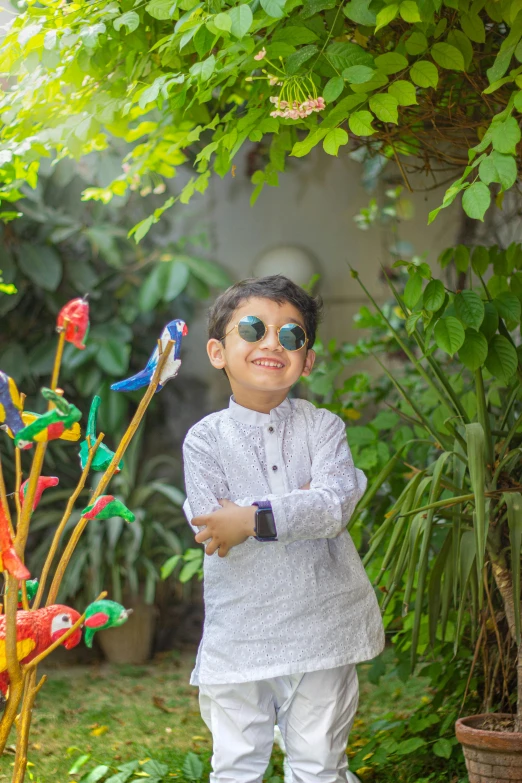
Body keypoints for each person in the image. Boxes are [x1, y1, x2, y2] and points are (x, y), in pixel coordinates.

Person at [182, 275, 384, 783]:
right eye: (253, 329)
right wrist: (297, 507)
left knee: (319, 763)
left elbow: (334, 507)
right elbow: (210, 524)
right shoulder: (204, 440)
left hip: (324, 626)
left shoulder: (324, 427)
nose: (273, 342)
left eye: (291, 336)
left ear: (307, 360)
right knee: (236, 765)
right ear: (217, 351)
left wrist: (250, 519)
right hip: (241, 631)